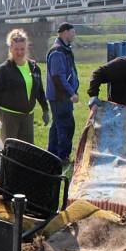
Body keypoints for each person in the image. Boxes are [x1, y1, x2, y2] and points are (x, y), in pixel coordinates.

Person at [0, 29, 49, 144]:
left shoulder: (34, 67)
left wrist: (45, 109)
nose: (20, 52)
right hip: (9, 116)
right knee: (11, 150)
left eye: (22, 49)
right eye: (16, 49)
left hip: (28, 116)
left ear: (26, 49)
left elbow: (39, 91)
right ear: (10, 49)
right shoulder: (3, 70)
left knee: (27, 149)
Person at [46, 23, 79, 165]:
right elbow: (58, 78)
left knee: (57, 125)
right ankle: (62, 157)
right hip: (60, 97)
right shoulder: (57, 52)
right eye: (73, 32)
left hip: (61, 97)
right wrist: (71, 93)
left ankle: (52, 154)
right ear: (65, 32)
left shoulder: (64, 49)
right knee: (66, 126)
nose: (74, 34)